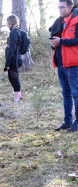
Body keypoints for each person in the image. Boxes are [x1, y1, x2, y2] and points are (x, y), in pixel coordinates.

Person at [49, 0, 78, 132]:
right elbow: (56, 40)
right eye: (58, 8)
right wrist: (54, 44)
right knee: (66, 93)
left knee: (76, 93)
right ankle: (67, 121)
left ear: (70, 7)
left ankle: (77, 123)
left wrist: (62, 41)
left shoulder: (76, 20)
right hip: (61, 63)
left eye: (62, 7)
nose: (60, 10)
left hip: (73, 63)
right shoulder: (60, 22)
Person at [4, 14, 24, 102]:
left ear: (10, 22)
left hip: (14, 58)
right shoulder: (19, 31)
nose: (6, 23)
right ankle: (19, 95)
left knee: (14, 77)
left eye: (7, 22)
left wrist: (7, 63)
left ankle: (16, 99)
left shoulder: (13, 32)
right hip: (19, 58)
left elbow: (11, 49)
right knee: (12, 77)